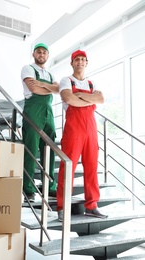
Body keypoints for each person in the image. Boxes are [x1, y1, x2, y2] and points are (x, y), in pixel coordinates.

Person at [56, 50, 108, 221]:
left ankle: (92, 205)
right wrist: (89, 100)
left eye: (82, 59)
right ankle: (63, 206)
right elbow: (69, 99)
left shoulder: (91, 83)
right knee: (67, 167)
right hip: (73, 128)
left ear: (87, 63)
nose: (79, 62)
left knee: (92, 166)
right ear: (72, 63)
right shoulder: (67, 80)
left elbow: (100, 99)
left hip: (91, 129)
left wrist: (80, 95)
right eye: (76, 59)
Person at [21, 43, 59, 202]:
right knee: (31, 148)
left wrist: (42, 84)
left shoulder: (50, 74)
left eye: (44, 52)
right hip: (33, 110)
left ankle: (49, 186)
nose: (41, 54)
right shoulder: (28, 68)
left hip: (48, 112)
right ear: (34, 54)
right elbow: (34, 89)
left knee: (49, 148)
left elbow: (57, 89)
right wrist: (48, 87)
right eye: (39, 52)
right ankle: (28, 188)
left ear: (48, 55)